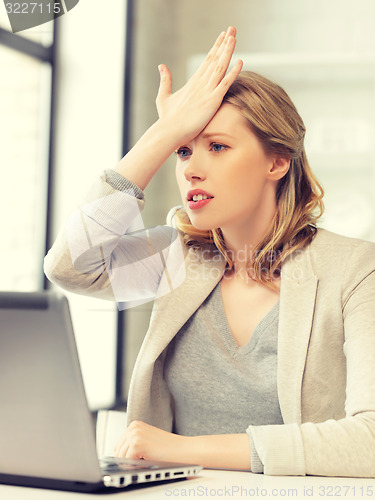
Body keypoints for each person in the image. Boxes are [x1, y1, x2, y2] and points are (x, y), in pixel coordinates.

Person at [44, 26, 375, 476]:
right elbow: (70, 268)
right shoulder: (178, 258)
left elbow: (369, 441)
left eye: (217, 147)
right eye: (184, 151)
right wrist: (162, 134)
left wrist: (182, 449)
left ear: (277, 161)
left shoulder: (355, 270)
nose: (192, 170)